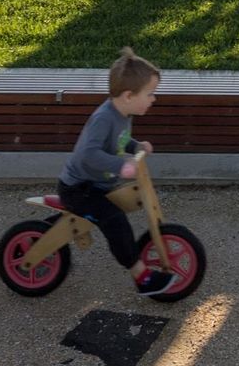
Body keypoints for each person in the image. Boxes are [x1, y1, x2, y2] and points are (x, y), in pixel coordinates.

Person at [56, 46, 175, 297]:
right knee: (115, 220)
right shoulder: (104, 118)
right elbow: (89, 154)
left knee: (121, 204)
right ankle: (141, 277)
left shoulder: (123, 113)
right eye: (150, 94)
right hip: (79, 189)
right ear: (129, 95)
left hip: (97, 185)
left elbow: (119, 140)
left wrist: (136, 146)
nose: (153, 99)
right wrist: (120, 165)